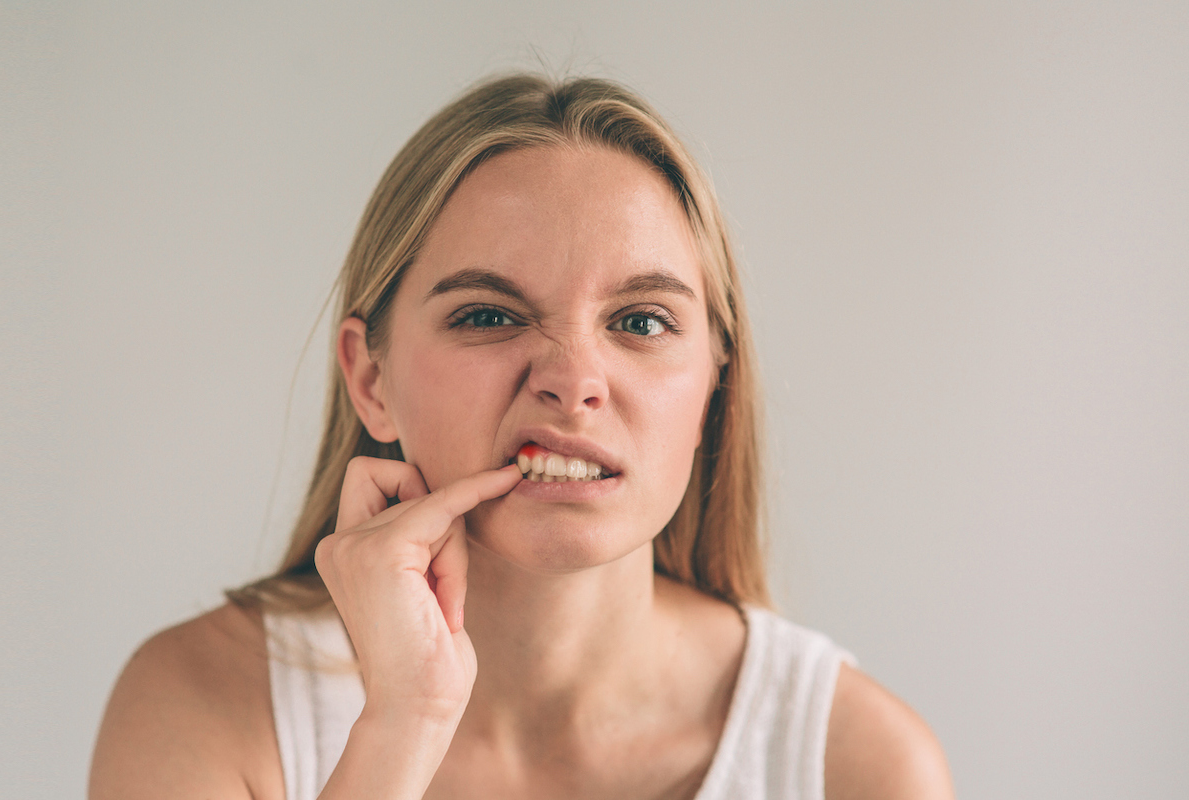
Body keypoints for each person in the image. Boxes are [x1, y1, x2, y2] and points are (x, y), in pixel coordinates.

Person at [89, 74, 954, 800]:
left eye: (643, 321)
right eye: (491, 314)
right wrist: (403, 725)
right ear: (370, 379)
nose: (573, 379)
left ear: (713, 389)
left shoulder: (858, 764)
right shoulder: (199, 707)